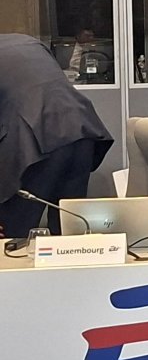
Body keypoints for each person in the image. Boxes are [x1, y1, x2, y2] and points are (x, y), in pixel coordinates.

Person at [0, 34, 115, 237]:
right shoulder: (27, 41)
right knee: (70, 233)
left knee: (13, 239)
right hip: (80, 128)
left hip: (34, 141)